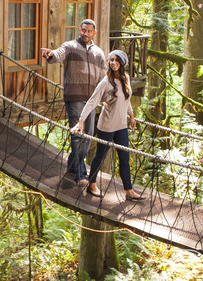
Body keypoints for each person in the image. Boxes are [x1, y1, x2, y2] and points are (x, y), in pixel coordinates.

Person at [71, 49, 144, 201]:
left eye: (117, 60)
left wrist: (131, 115)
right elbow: (92, 102)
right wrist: (81, 121)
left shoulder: (126, 78)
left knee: (124, 157)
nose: (113, 63)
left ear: (122, 63)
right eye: (111, 60)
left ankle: (129, 190)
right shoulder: (106, 82)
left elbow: (126, 99)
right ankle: (92, 184)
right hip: (107, 125)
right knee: (100, 156)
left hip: (121, 125)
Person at [41, 19, 106, 186]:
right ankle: (80, 175)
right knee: (78, 136)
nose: (85, 33)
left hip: (91, 100)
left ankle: (72, 165)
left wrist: (105, 98)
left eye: (89, 31)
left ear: (94, 33)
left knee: (89, 137)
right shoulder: (70, 46)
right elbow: (58, 54)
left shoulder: (99, 53)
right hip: (75, 97)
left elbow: (103, 78)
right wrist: (51, 54)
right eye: (83, 30)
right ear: (80, 29)